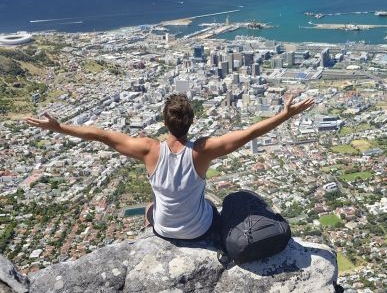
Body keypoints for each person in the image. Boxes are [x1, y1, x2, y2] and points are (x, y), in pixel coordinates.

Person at [25, 93, 314, 241]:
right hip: (199, 230)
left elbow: (101, 135)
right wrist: (285, 115)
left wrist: (59, 127)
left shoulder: (148, 149)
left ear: (165, 122)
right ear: (191, 122)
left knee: (150, 207)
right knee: (214, 207)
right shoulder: (202, 151)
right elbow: (249, 134)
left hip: (163, 230)